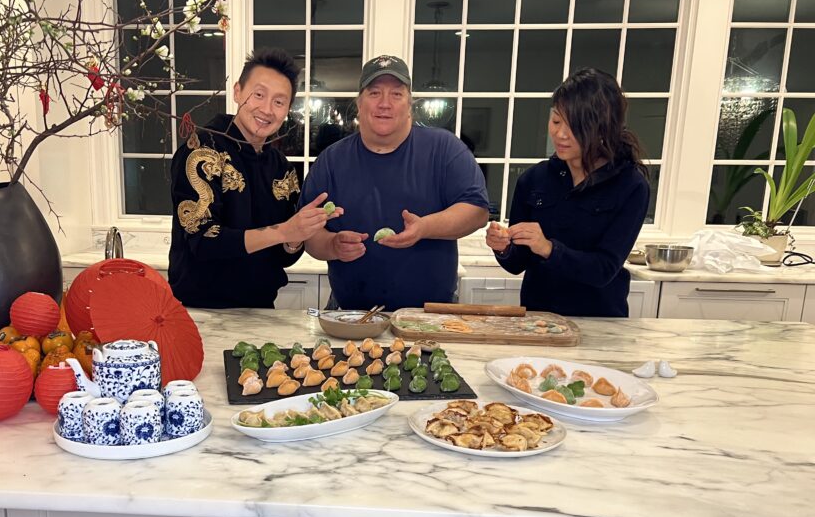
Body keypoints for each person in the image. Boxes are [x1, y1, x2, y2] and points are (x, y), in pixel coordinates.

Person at [300, 55, 490, 311]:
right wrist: (332, 246)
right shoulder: (331, 161)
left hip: (431, 315)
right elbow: (309, 234)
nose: (384, 104)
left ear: (409, 104)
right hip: (349, 314)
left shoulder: (445, 149)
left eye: (396, 94)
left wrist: (424, 227)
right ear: (359, 103)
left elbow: (477, 211)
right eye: (374, 93)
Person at [168, 47, 342, 308]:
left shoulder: (280, 167)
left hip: (261, 310)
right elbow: (202, 241)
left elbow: (283, 257)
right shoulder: (202, 150)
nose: (267, 109)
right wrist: (283, 231)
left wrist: (297, 235)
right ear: (238, 92)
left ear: (287, 110)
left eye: (279, 102)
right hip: (200, 311)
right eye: (259, 95)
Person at [485, 68, 650, 317]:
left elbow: (604, 269)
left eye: (575, 126)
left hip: (598, 320)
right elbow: (518, 263)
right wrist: (503, 247)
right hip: (539, 319)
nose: (561, 134)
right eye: (556, 121)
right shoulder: (534, 179)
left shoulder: (630, 186)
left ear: (604, 128)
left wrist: (548, 248)